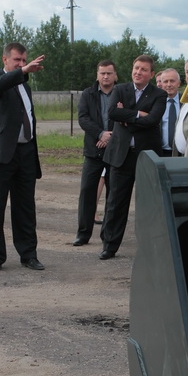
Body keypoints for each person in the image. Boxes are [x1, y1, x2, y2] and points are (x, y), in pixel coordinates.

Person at [0, 42, 45, 273]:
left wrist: (23, 75)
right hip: (0, 154)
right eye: (17, 60)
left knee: (25, 207)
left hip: (25, 152)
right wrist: (24, 71)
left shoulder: (25, 86)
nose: (21, 64)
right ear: (5, 59)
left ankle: (28, 255)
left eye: (24, 60)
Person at [99, 54, 167, 260]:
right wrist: (139, 114)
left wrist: (126, 115)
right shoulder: (120, 89)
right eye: (136, 68)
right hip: (122, 155)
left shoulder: (159, 94)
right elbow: (112, 113)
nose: (138, 72)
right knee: (116, 203)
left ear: (151, 74)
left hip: (146, 156)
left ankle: (150, 245)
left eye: (143, 69)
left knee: (149, 203)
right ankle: (109, 246)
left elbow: (153, 120)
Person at [73, 60, 117, 246]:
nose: (105, 76)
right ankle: (83, 234)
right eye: (102, 73)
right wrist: (100, 134)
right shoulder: (88, 94)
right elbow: (83, 118)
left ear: (115, 75)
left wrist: (110, 137)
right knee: (87, 193)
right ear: (97, 75)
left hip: (116, 152)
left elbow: (127, 117)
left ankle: (108, 236)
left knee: (113, 195)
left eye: (109, 73)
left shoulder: (123, 93)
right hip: (93, 151)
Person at [160, 68, 181, 157]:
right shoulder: (155, 102)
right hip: (161, 153)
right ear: (161, 84)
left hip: (183, 153)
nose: (169, 85)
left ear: (179, 83)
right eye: (165, 81)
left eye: (172, 81)